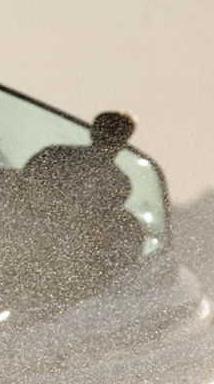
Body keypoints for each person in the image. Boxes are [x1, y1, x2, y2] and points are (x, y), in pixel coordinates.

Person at [21, 111, 143, 282]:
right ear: (124, 141)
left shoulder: (53, 154)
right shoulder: (119, 182)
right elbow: (99, 226)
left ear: (92, 131)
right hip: (62, 262)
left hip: (22, 237)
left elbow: (22, 186)